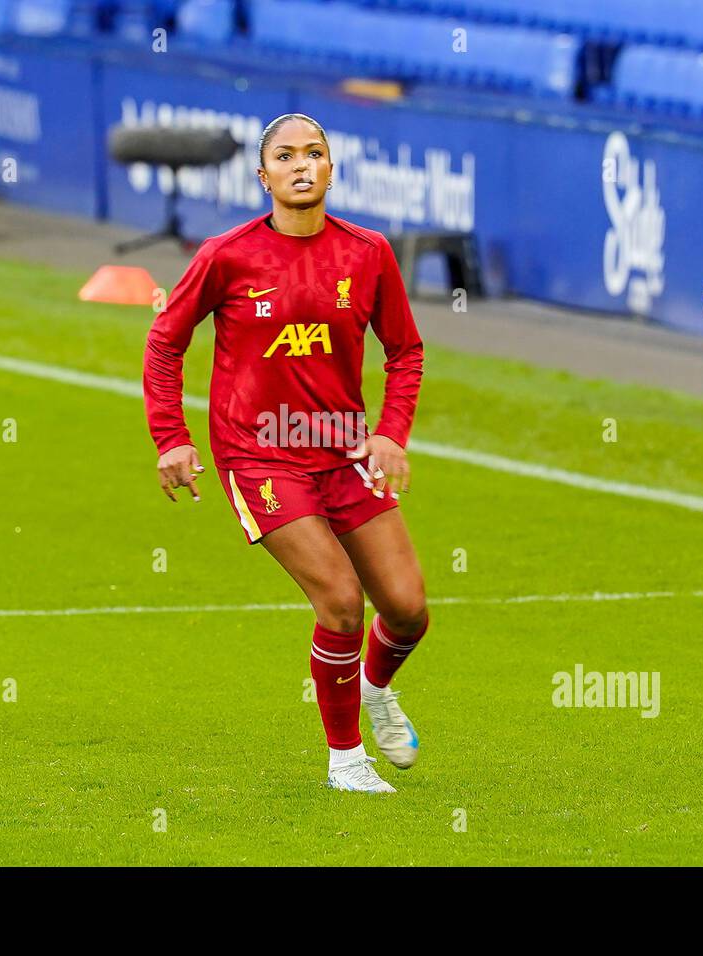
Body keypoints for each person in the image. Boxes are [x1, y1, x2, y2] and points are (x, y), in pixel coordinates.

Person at [143, 113, 428, 793]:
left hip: (344, 452)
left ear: (332, 169)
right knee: (339, 600)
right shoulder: (226, 255)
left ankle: (373, 688)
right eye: (287, 155)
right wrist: (171, 438)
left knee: (409, 609)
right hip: (260, 455)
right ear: (263, 174)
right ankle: (346, 761)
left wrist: (390, 432)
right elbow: (164, 343)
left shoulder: (368, 253)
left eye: (316, 153)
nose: (303, 165)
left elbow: (405, 350)